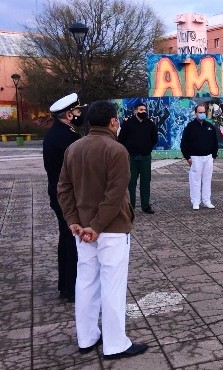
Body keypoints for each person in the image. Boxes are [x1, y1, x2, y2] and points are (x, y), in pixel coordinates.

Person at [57, 100, 148, 359]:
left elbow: (63, 188)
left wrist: (73, 221)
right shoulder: (116, 150)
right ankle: (115, 343)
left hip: (82, 230)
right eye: (117, 119)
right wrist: (96, 226)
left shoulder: (73, 148)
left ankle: (86, 337)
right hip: (111, 228)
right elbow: (115, 195)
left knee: (85, 283)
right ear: (112, 121)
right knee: (113, 286)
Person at [42, 92, 84, 303]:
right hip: (67, 197)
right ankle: (73, 287)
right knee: (72, 241)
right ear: (69, 114)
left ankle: (65, 286)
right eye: (77, 111)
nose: (79, 114)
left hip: (57, 193)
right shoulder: (68, 138)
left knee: (65, 238)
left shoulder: (54, 134)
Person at [118, 102, 158, 214]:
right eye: (141, 110)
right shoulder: (128, 123)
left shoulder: (150, 124)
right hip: (132, 157)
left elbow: (154, 139)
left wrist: (148, 148)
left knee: (145, 182)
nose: (143, 112)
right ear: (135, 111)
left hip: (145, 157)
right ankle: (131, 207)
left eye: (145, 110)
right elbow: (121, 139)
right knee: (131, 182)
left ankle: (146, 206)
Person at [180, 104, 219, 210]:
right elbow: (184, 143)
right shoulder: (190, 127)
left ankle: (207, 200)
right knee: (195, 180)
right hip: (195, 157)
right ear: (196, 113)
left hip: (208, 157)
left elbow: (215, 142)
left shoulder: (210, 126)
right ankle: (195, 201)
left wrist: (214, 156)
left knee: (207, 179)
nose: (202, 114)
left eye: (203, 112)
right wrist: (187, 157)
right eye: (200, 112)